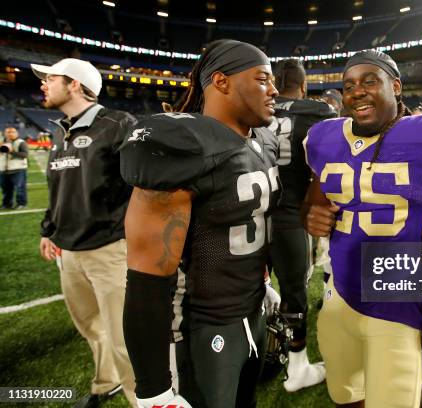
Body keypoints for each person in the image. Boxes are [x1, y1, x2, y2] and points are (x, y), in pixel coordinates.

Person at [302, 49, 422, 407]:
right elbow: (314, 202)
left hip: (396, 308)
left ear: (395, 86)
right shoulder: (326, 137)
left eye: (369, 81)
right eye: (349, 86)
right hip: (339, 299)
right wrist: (313, 214)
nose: (357, 92)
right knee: (345, 397)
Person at [119, 39, 282, 408]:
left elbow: (248, 221)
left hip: (252, 310)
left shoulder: (264, 141)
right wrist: (153, 388)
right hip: (200, 326)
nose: (274, 90)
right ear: (221, 82)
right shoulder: (185, 145)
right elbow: (146, 277)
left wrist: (264, 282)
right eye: (262, 79)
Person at [32, 58, 137, 407]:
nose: (44, 84)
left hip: (109, 249)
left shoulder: (118, 124)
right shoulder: (60, 129)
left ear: (74, 84)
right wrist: (49, 229)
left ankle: (143, 400)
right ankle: (105, 382)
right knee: (91, 327)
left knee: (125, 337)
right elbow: (59, 188)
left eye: (51, 78)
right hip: (69, 251)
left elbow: (143, 186)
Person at [266, 58, 336, 392]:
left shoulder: (256, 106)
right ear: (304, 85)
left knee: (247, 286)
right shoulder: (318, 111)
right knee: (294, 292)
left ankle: (251, 350)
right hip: (292, 214)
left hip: (247, 212)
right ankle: (297, 368)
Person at [0, 127, 28, 209]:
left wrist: (12, 152)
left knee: (20, 188)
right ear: (5, 133)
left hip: (18, 169)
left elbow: (25, 155)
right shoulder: (2, 142)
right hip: (3, 169)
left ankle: (21, 204)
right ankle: (6, 204)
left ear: (17, 133)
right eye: (8, 132)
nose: (10, 134)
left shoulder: (21, 142)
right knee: (6, 189)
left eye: (12, 132)